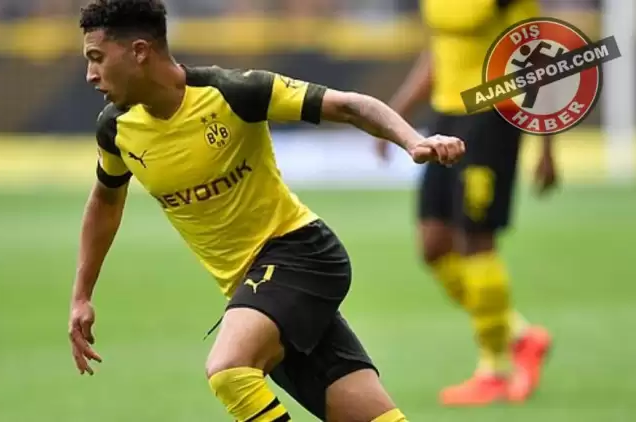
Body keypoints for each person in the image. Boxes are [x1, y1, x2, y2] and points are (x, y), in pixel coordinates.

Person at [67, 0, 465, 420]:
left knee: (229, 371)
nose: (90, 74)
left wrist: (413, 141)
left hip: (300, 255)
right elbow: (105, 201)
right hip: (256, 289)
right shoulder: (116, 129)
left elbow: (349, 105)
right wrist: (82, 296)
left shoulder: (233, 92)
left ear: (139, 52)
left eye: (97, 57)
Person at [375, 0, 557, 407]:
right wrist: (395, 114)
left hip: (494, 112)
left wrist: (548, 147)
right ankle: (520, 337)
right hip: (446, 114)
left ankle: (495, 370)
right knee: (434, 245)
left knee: (476, 241)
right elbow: (438, 51)